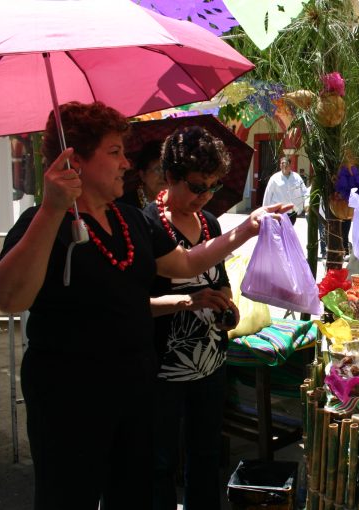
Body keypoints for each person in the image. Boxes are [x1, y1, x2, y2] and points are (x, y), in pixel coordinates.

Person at [0, 101, 291, 510]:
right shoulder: (40, 221)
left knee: (132, 496)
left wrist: (247, 227)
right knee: (69, 497)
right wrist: (53, 208)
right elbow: (10, 297)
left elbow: (185, 263)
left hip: (135, 390)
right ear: (74, 161)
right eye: (114, 151)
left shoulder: (130, 220)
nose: (126, 162)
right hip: (70, 398)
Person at [144, 126, 235, 510]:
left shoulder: (210, 223)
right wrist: (188, 301)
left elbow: (221, 281)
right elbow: (135, 304)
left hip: (210, 362)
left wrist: (227, 305)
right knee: (159, 461)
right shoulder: (147, 225)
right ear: (170, 176)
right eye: (197, 187)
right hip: (163, 368)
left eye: (213, 187)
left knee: (206, 455)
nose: (205, 196)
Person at [118, 139, 166, 209]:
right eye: (158, 169)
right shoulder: (125, 206)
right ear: (142, 175)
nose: (165, 176)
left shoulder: (180, 200)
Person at [262, 156, 309, 224]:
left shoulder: (297, 177)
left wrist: (306, 204)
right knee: (279, 228)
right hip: (278, 211)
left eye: (286, 164)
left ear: (290, 165)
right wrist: (265, 211)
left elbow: (304, 192)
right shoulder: (274, 178)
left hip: (292, 211)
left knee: (289, 229)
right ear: (280, 166)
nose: (284, 166)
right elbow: (268, 194)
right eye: (282, 164)